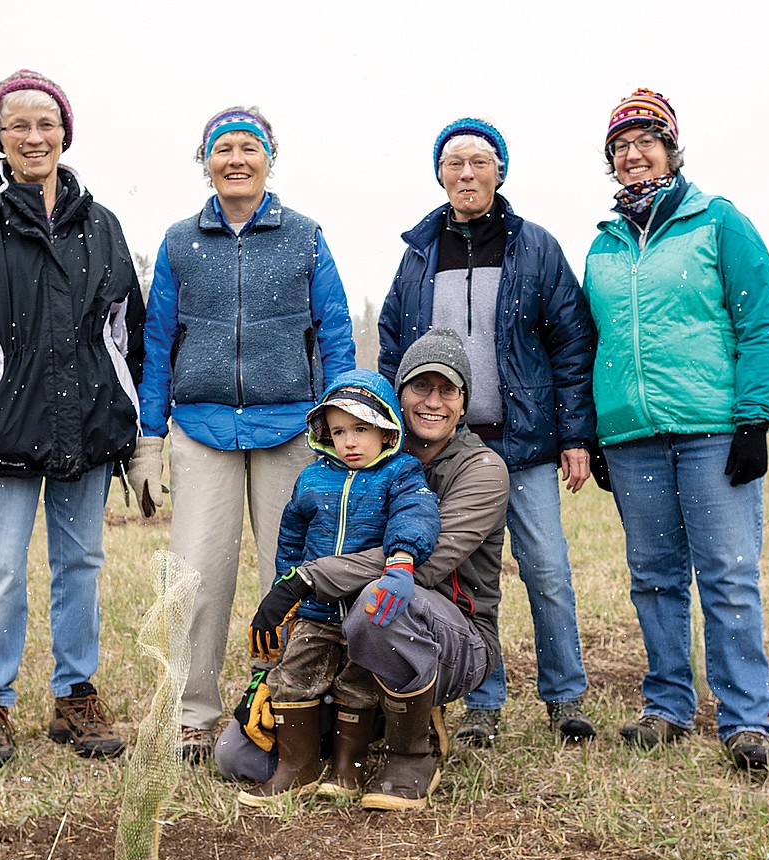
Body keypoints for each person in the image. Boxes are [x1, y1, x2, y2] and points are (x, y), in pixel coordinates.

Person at [0, 69, 144, 770]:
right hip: (6, 439)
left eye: (47, 123)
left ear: (65, 132)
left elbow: (124, 327)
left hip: (87, 435)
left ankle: (75, 698)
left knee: (80, 566)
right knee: (2, 572)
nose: (34, 136)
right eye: (19, 124)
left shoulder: (101, 224)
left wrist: (117, 411)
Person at [127, 107, 355, 762]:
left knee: (287, 577)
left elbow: (335, 336)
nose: (235, 159)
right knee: (197, 577)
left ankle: (285, 702)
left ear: (268, 159)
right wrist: (150, 439)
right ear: (205, 161)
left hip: (291, 427)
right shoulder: (179, 243)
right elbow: (158, 344)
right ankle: (194, 713)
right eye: (222, 148)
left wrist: (338, 421)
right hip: (201, 428)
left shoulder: (305, 237)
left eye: (247, 148)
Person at [219, 327, 511, 810]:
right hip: (335, 623)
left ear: (464, 403)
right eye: (421, 386)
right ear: (399, 398)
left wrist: (310, 580)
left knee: (382, 600)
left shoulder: (482, 469)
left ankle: (410, 753)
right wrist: (272, 656)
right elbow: (299, 537)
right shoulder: (360, 461)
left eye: (447, 390)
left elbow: (426, 562)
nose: (432, 401)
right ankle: (338, 742)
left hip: (452, 636)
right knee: (240, 757)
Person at [378, 118, 597, 748]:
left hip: (524, 443)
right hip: (445, 451)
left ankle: (565, 695)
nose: (466, 174)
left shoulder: (535, 248)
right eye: (453, 164)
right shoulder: (420, 252)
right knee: (467, 575)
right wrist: (403, 427)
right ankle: (483, 701)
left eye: (479, 162)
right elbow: (396, 340)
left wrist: (575, 435)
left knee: (546, 569)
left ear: (501, 171)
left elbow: (572, 343)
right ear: (440, 174)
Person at [582, 89, 769, 773]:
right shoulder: (603, 246)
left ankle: (746, 719)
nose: (633, 154)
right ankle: (667, 705)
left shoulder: (717, 222)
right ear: (611, 161)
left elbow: (759, 323)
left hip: (710, 430)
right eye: (621, 146)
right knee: (655, 577)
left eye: (646, 140)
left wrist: (753, 418)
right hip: (632, 439)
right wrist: (599, 429)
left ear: (671, 148)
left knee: (727, 574)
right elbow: (594, 345)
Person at [237, 369, 440, 806]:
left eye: (361, 429)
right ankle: (298, 768)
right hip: (314, 610)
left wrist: (402, 558)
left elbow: (416, 515)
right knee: (293, 677)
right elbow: (290, 542)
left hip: (368, 613)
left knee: (358, 684)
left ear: (387, 430)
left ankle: (349, 769)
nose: (349, 442)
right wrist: (284, 595)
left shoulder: (401, 473)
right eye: (339, 431)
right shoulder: (313, 479)